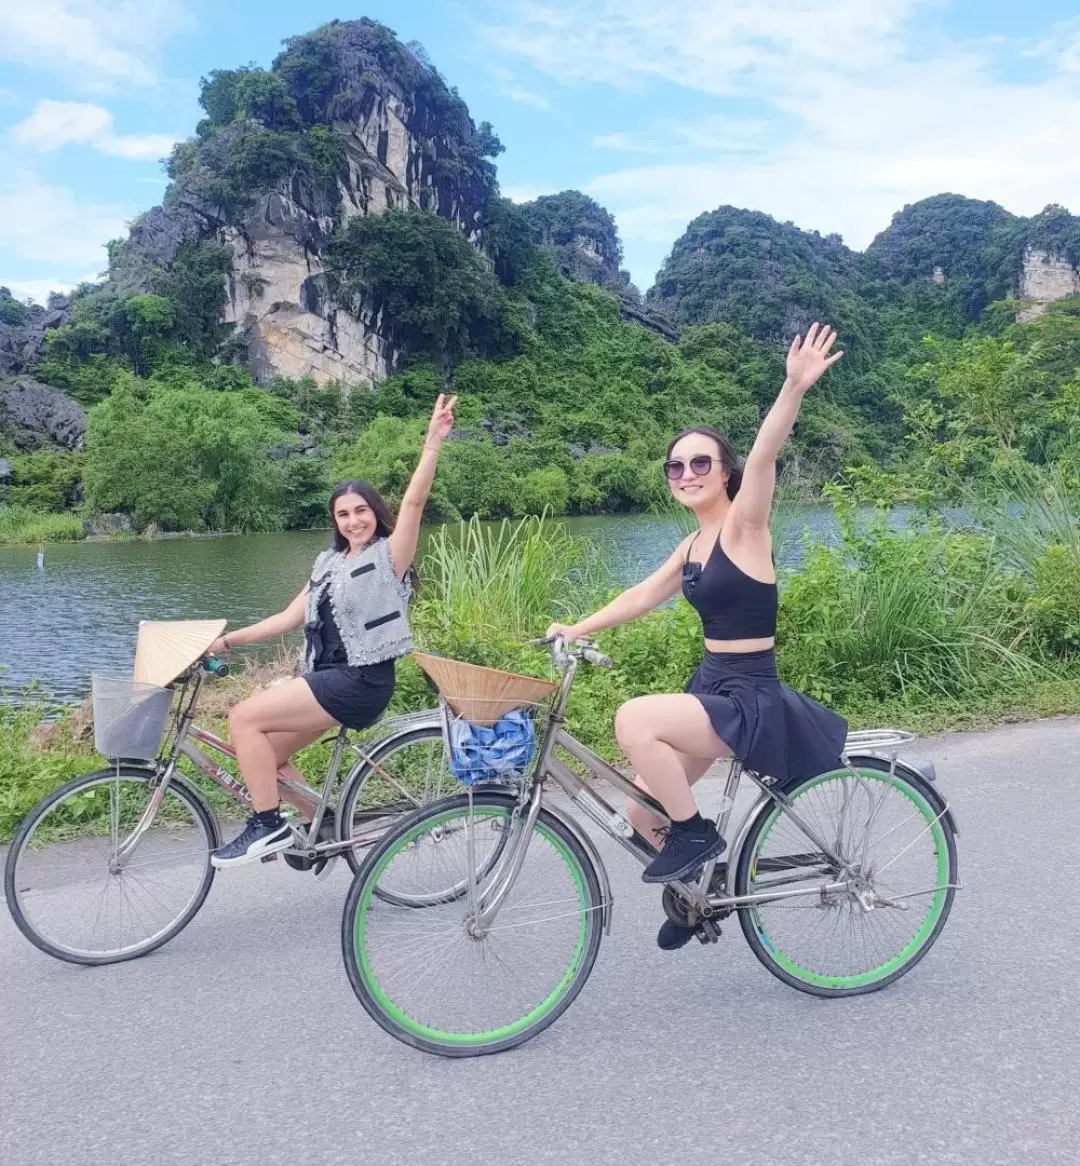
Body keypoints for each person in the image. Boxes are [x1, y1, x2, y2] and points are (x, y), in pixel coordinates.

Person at [547, 323, 849, 950]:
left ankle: (698, 837)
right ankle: (698, 895)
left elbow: (765, 454)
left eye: (701, 462)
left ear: (725, 472)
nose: (687, 472)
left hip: (749, 697)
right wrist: (577, 626)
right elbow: (642, 596)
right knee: (640, 810)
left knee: (634, 720)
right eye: (676, 466)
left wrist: (792, 388)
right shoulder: (692, 544)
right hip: (712, 684)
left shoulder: (745, 527)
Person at [207, 393, 457, 867]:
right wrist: (226, 639)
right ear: (335, 522)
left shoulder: (389, 559)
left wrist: (432, 444)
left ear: (374, 514)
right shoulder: (327, 564)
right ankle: (322, 823)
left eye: (361, 511)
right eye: (343, 514)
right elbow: (287, 618)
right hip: (328, 681)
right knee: (263, 755)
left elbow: (415, 500)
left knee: (243, 717)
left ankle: (267, 826)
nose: (353, 521)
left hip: (361, 681)